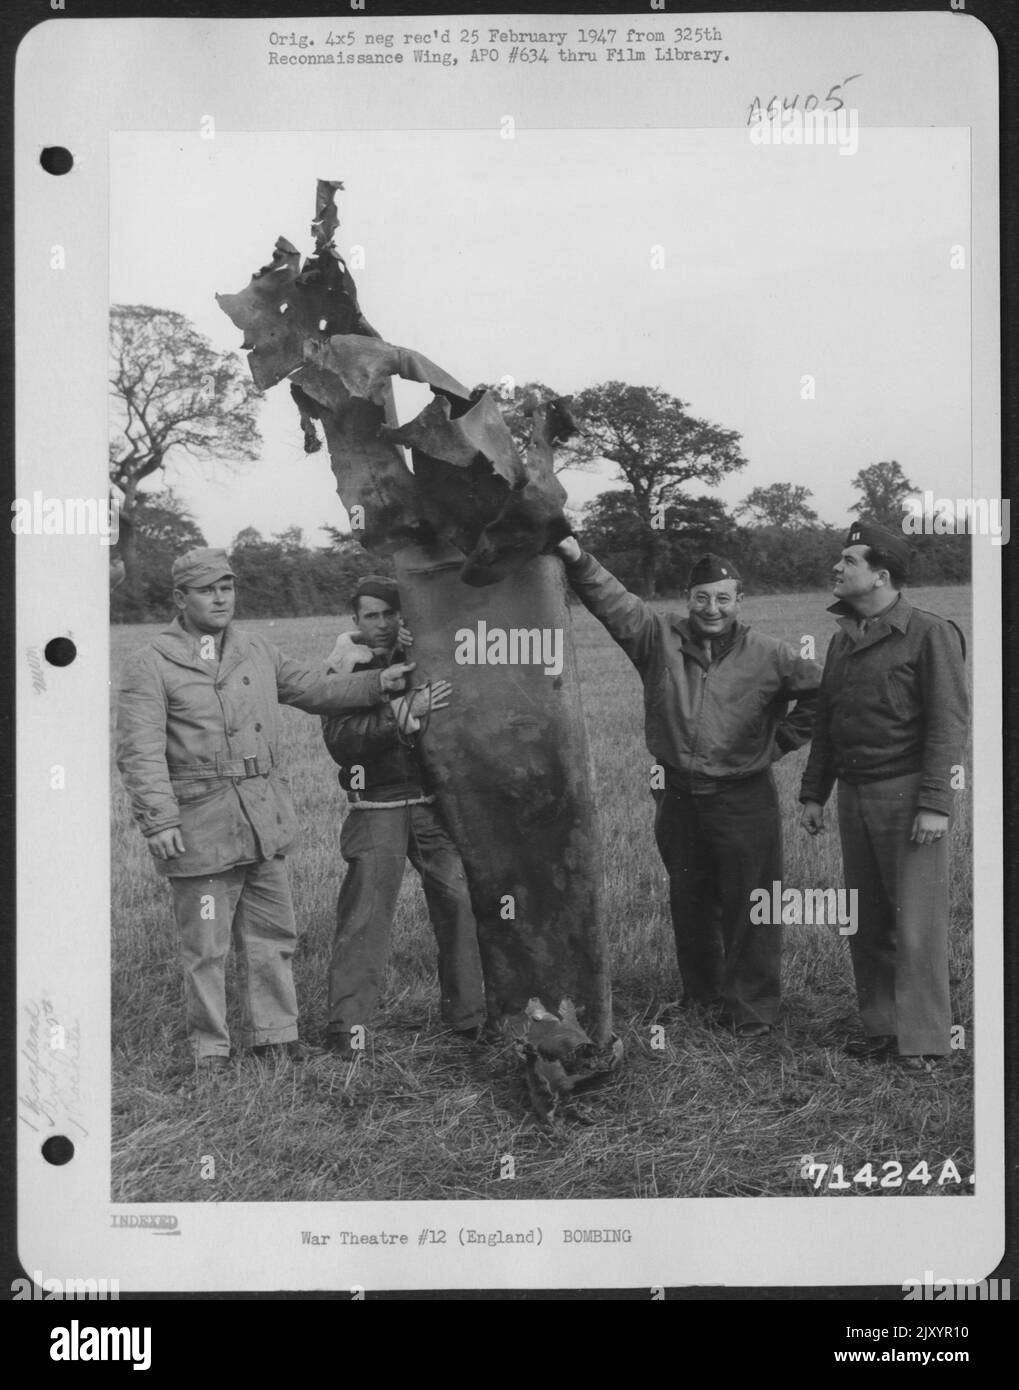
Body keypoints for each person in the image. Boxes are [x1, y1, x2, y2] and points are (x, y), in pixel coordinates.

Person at [115, 548, 415, 1075]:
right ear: (180, 599)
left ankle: (275, 1036)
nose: (220, 598)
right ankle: (211, 1048)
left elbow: (313, 687)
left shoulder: (255, 649)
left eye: (226, 588)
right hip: (199, 821)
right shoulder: (150, 663)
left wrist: (376, 684)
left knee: (273, 934)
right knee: (206, 946)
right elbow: (139, 752)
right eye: (207, 590)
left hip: (261, 815)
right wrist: (159, 820)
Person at [557, 538, 822, 1036]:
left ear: (739, 601)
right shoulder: (657, 637)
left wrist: (778, 743)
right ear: (688, 597)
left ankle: (753, 1010)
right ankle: (701, 996)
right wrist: (576, 556)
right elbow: (613, 602)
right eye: (702, 597)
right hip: (678, 793)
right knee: (691, 896)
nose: (712, 608)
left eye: (723, 598)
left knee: (754, 902)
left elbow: (819, 694)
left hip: (744, 797)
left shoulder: (770, 654)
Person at [799, 521, 969, 1070]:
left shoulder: (929, 633)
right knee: (866, 917)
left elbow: (948, 723)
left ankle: (922, 1040)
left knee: (916, 922)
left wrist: (935, 802)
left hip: (907, 796)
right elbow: (827, 721)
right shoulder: (842, 638)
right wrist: (813, 794)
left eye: (849, 561)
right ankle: (881, 1026)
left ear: (881, 574)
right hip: (854, 795)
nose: (837, 567)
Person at [320, 576, 486, 1058]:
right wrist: (402, 711)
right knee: (367, 913)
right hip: (377, 803)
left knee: (458, 900)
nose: (382, 624)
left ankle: (470, 1016)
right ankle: (348, 1027)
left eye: (390, 613)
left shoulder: (423, 655)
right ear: (355, 622)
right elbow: (342, 743)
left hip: (432, 804)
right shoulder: (343, 669)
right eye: (371, 615)